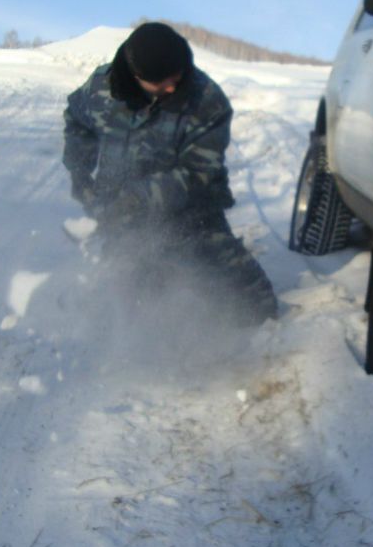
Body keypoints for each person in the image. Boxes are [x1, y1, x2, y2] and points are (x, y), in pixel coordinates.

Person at [62, 22, 277, 324]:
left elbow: (198, 173)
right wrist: (80, 173)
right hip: (119, 214)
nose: (173, 86)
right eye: (161, 81)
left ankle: (265, 336)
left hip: (190, 210)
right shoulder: (100, 88)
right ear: (136, 76)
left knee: (255, 302)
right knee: (134, 297)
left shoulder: (206, 100)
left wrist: (135, 199)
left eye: (177, 75)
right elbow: (76, 120)